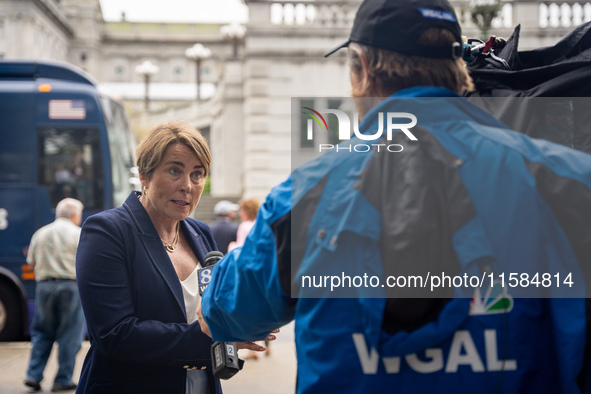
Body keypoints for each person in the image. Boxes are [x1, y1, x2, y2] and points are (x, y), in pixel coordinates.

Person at [198, 1, 591, 393]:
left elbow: (224, 314)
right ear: (458, 72)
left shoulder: (307, 193)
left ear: (362, 70)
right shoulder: (567, 180)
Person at [75, 120, 271, 394]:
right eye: (174, 170)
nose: (187, 186)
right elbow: (115, 335)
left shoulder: (201, 232)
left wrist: (240, 323)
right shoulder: (108, 231)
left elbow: (211, 315)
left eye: (197, 174)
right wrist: (211, 336)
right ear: (144, 175)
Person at [24, 198, 85, 392]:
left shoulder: (40, 234)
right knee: (70, 334)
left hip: (44, 286)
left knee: (42, 332)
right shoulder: (79, 234)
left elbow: (31, 263)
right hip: (71, 286)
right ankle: (62, 379)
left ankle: (33, 376)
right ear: (75, 215)